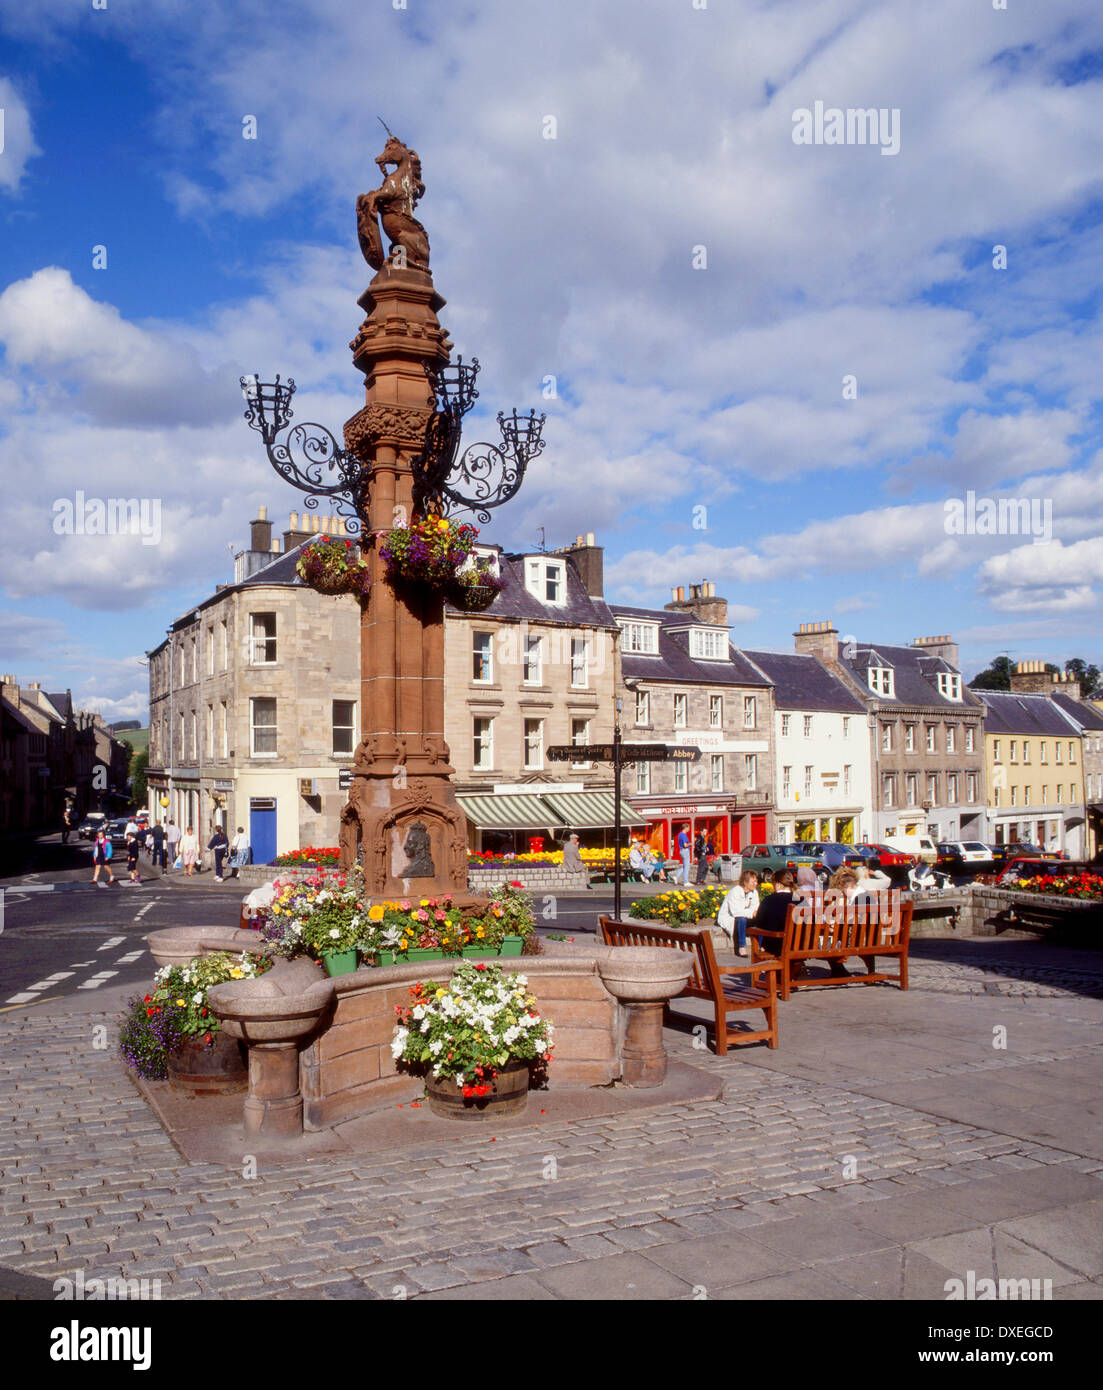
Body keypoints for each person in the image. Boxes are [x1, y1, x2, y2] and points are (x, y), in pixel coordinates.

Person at [750, 869, 795, 954]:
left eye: (773, 883)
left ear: (778, 884)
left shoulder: (769, 900)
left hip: (779, 946)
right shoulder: (802, 900)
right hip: (801, 946)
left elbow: (759, 923)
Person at [717, 869, 760, 956]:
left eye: (756, 881)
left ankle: (761, 946)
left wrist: (751, 913)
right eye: (753, 882)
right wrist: (750, 913)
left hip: (746, 917)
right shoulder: (735, 892)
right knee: (741, 919)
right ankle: (741, 947)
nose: (756, 884)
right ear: (745, 882)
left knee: (760, 921)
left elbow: (755, 908)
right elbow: (735, 912)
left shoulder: (754, 892)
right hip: (730, 918)